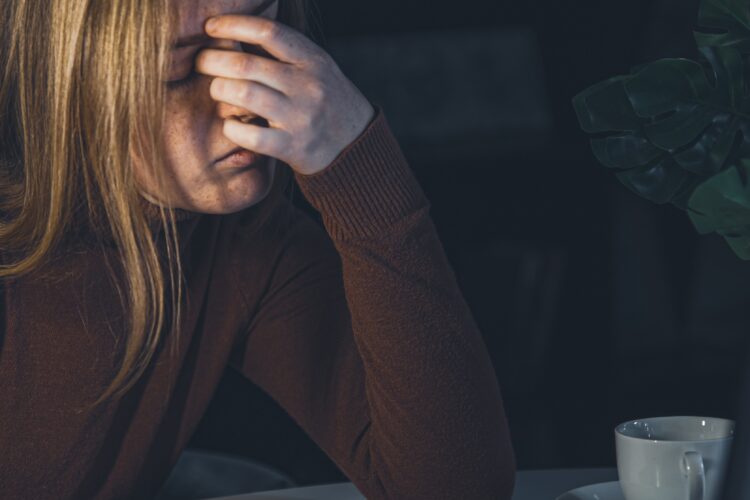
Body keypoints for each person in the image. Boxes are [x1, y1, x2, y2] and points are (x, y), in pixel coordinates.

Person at [0, 0, 516, 498]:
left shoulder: (247, 245)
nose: (244, 103)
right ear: (69, 81)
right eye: (179, 72)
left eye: (256, 44)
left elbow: (455, 488)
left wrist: (358, 162)